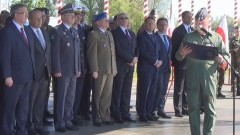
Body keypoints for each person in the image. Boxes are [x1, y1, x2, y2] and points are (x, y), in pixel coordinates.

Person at [175, 8, 229, 135]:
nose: (199, 24)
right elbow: (177, 56)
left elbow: (226, 56)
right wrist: (181, 53)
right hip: (193, 78)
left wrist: (221, 59)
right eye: (197, 21)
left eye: (202, 22)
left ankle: (208, 133)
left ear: (208, 22)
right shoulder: (188, 36)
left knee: (210, 109)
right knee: (193, 108)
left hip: (209, 79)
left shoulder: (216, 38)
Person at [0, 4, 35, 135]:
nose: (27, 15)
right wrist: (7, 75)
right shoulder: (7, 32)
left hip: (27, 76)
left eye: (27, 12)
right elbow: (5, 56)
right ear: (16, 15)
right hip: (13, 77)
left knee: (24, 107)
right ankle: (7, 130)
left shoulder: (27, 30)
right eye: (24, 13)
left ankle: (21, 130)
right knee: (10, 107)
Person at [50, 4, 81, 132]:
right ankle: (59, 122)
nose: (73, 17)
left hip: (73, 70)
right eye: (70, 14)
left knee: (70, 98)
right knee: (61, 98)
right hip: (62, 71)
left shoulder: (74, 31)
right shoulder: (57, 31)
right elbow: (55, 52)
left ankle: (68, 119)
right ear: (62, 16)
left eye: (73, 15)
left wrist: (78, 68)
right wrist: (56, 69)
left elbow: (77, 53)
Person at [87, 12, 117, 126]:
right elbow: (92, 53)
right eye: (105, 20)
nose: (107, 22)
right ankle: (97, 117)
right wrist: (94, 69)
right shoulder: (93, 34)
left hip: (110, 69)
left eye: (107, 20)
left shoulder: (109, 34)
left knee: (107, 95)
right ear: (98, 22)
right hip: (100, 69)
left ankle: (105, 116)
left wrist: (114, 68)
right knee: (97, 94)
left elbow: (112, 53)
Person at [27, 8, 51, 135]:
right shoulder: (26, 32)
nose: (40, 20)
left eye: (42, 18)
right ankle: (29, 125)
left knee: (41, 101)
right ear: (30, 19)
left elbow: (47, 52)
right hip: (33, 73)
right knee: (31, 101)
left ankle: (38, 124)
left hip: (45, 72)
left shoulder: (43, 31)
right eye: (37, 18)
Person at [110, 13, 138, 123]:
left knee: (127, 90)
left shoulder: (131, 33)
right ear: (117, 21)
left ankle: (125, 112)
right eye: (121, 18)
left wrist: (135, 58)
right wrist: (130, 59)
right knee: (118, 90)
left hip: (131, 67)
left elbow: (137, 47)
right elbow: (118, 49)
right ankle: (116, 113)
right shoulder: (114, 33)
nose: (124, 20)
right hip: (120, 65)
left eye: (126, 18)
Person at [137, 16, 161, 122]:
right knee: (144, 92)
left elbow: (158, 51)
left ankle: (148, 112)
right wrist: (155, 61)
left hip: (155, 69)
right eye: (149, 23)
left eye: (153, 23)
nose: (151, 25)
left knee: (152, 92)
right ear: (145, 24)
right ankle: (142, 113)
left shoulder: (155, 37)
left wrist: (160, 61)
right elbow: (142, 52)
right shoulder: (142, 37)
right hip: (145, 68)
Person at [171, 11, 193, 117]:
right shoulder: (178, 31)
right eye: (188, 17)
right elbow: (174, 47)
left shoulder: (193, 31)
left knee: (187, 88)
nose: (190, 19)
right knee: (179, 88)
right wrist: (175, 62)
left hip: (190, 64)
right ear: (183, 17)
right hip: (180, 63)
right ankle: (178, 109)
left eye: (191, 17)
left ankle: (185, 108)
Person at [154, 17, 172, 119]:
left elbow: (169, 53)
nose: (163, 26)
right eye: (161, 24)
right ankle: (154, 109)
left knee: (164, 90)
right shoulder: (155, 37)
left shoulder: (168, 38)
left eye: (165, 24)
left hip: (166, 69)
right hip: (158, 68)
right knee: (158, 89)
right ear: (157, 25)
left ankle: (161, 109)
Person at [229, 26, 240, 95]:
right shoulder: (232, 40)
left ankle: (239, 90)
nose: (237, 33)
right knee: (234, 74)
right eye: (236, 31)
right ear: (234, 32)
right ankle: (233, 88)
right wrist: (235, 50)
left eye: (238, 31)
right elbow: (229, 50)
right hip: (234, 60)